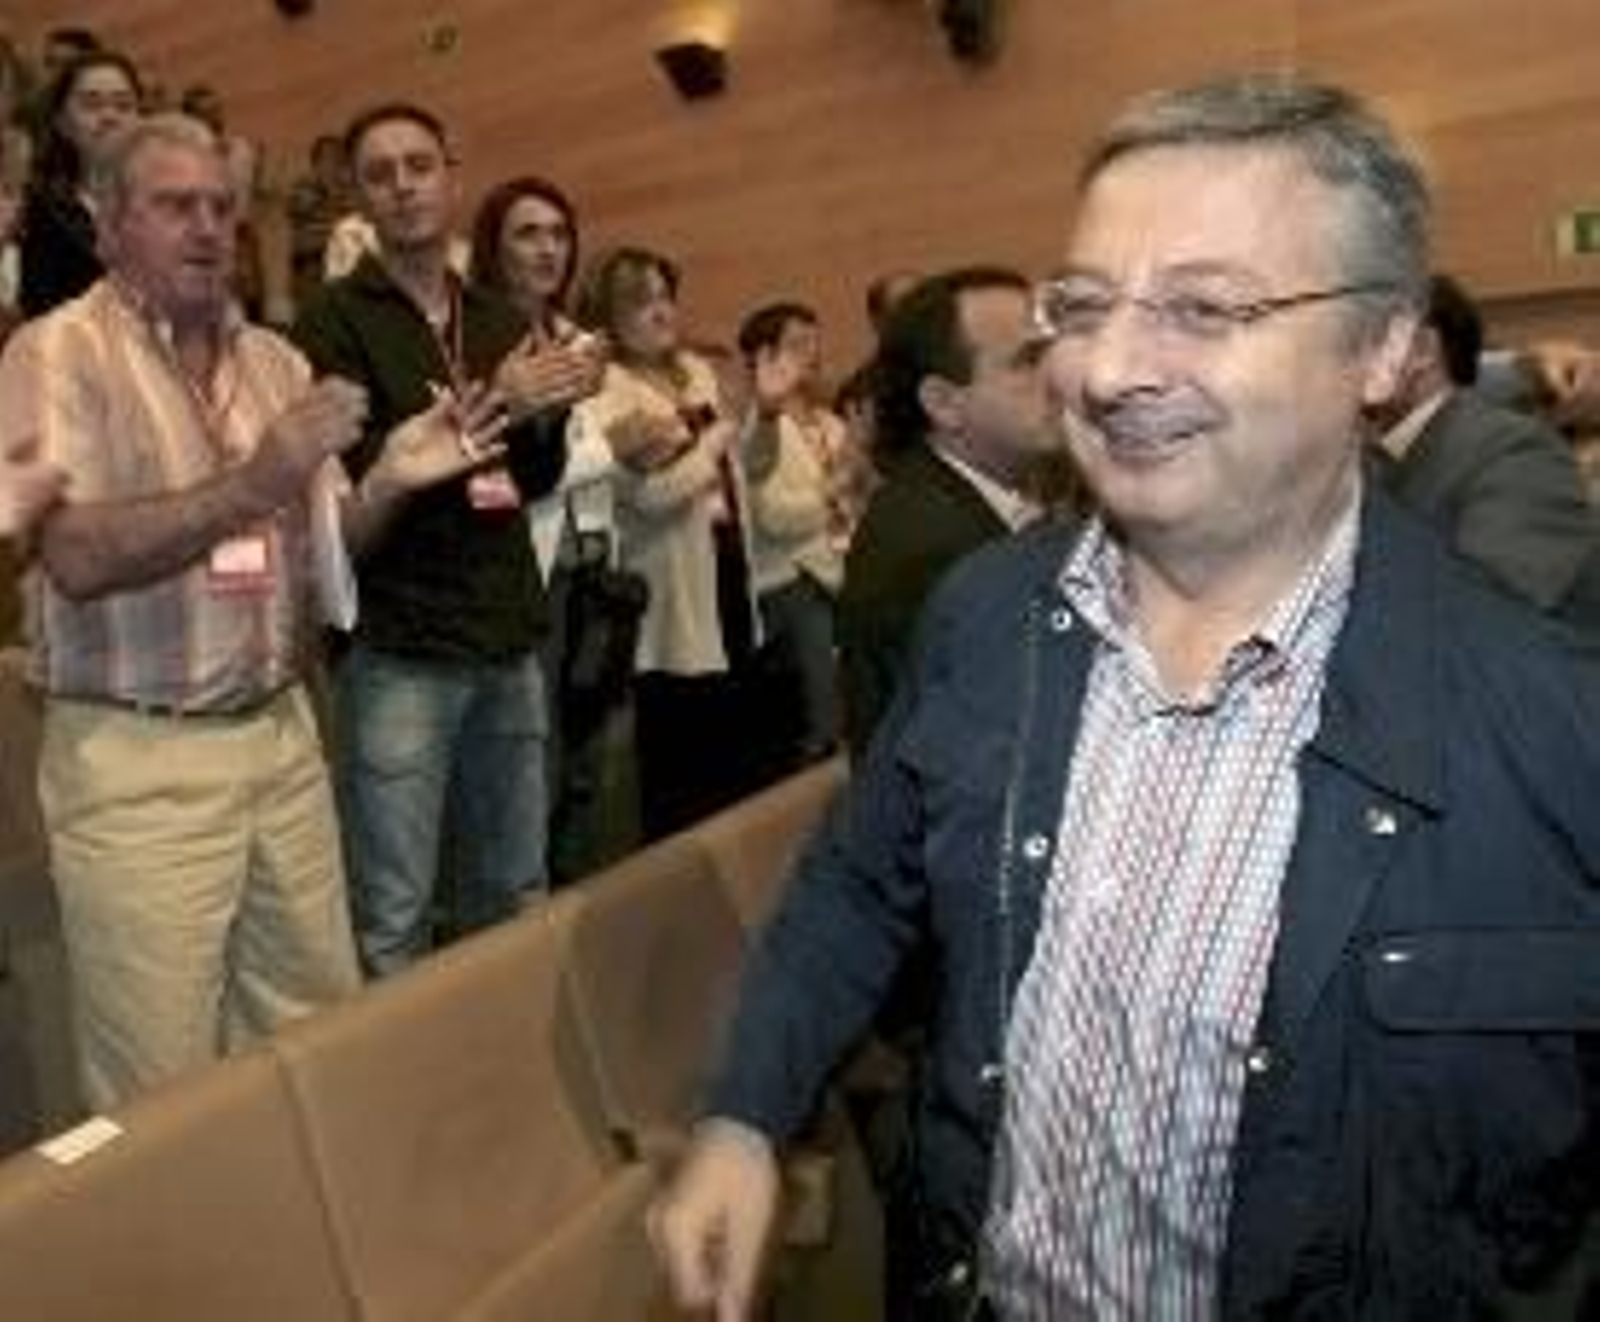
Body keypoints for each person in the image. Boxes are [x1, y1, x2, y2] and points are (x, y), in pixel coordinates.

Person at [651, 73, 1600, 1320]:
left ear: (1379, 347)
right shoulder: (984, 617)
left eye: (1203, 307)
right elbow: (856, 881)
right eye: (1083, 306)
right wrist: (744, 1110)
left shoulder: (1549, 729)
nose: (1106, 369)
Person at [0, 113, 503, 1110]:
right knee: (163, 1085)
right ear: (108, 223)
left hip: (280, 737)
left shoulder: (274, 360)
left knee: (311, 1038)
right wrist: (249, 482)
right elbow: (74, 553)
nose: (206, 228)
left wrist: (392, 484)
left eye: (222, 208)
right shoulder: (55, 354)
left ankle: (293, 1255)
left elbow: (315, 569)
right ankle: (176, 1266)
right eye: (174, 206)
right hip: (141, 760)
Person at [293, 103, 596, 975]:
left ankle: (511, 1088)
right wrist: (490, 407)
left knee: (515, 892)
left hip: (506, 635)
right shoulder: (333, 322)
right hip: (400, 647)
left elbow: (526, 485)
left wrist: (542, 416)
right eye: (381, 173)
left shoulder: (498, 316)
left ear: (449, 175)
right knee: (395, 912)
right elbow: (352, 499)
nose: (403, 185)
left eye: (418, 165)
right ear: (361, 196)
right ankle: (404, 1105)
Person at [573, 246, 773, 841]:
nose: (661, 312)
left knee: (738, 743)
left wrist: (753, 417)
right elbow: (651, 498)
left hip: (728, 567)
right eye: (641, 301)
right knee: (681, 764)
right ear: (608, 314)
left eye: (666, 296)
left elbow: (738, 466)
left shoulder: (697, 371)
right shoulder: (604, 386)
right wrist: (714, 442)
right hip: (667, 591)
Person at [838, 266, 1055, 758]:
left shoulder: (983, 497)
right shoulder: (932, 547)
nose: (1055, 377)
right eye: (1026, 362)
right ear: (944, 403)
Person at [1375, 272, 1600, 626]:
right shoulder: (1375, 459)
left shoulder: (1517, 457)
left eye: (1349, 339)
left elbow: (1478, 624)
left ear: (1419, 350)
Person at [736, 300, 849, 767]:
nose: (813, 353)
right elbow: (773, 518)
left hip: (837, 572)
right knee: (816, 720)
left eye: (815, 340)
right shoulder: (759, 426)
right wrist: (834, 495)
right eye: (798, 344)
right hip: (790, 585)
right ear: (764, 357)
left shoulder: (828, 422)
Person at [18, 50, 142, 318]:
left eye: (123, 105)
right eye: (91, 105)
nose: (109, 116)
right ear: (62, 122)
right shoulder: (44, 212)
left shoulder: (176, 202)